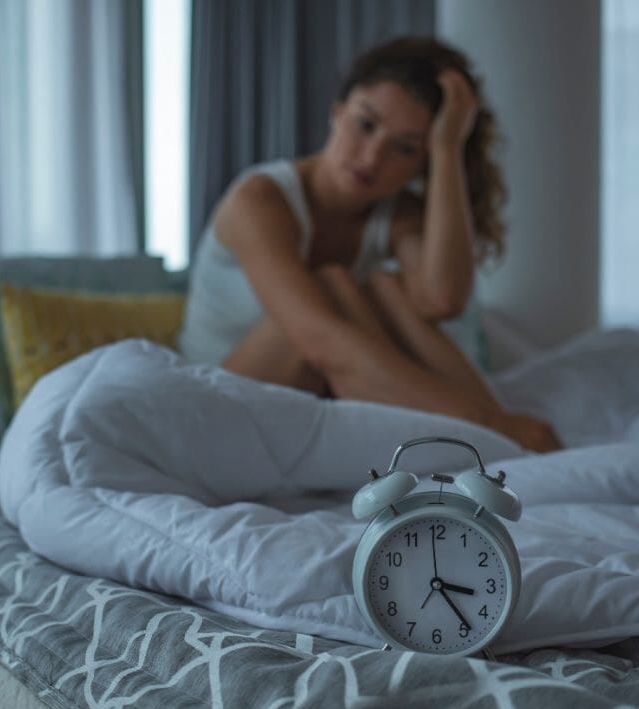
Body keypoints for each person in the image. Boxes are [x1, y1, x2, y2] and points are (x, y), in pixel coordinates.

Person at [178, 36, 561, 453]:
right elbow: (315, 339)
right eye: (365, 124)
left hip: (312, 396)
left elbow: (442, 299)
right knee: (328, 288)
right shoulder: (261, 199)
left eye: (405, 148)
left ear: (421, 162)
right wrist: (488, 423)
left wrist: (447, 147)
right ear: (337, 112)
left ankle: (500, 441)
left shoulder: (396, 213)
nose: (373, 157)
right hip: (216, 401)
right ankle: (498, 438)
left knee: (385, 288)